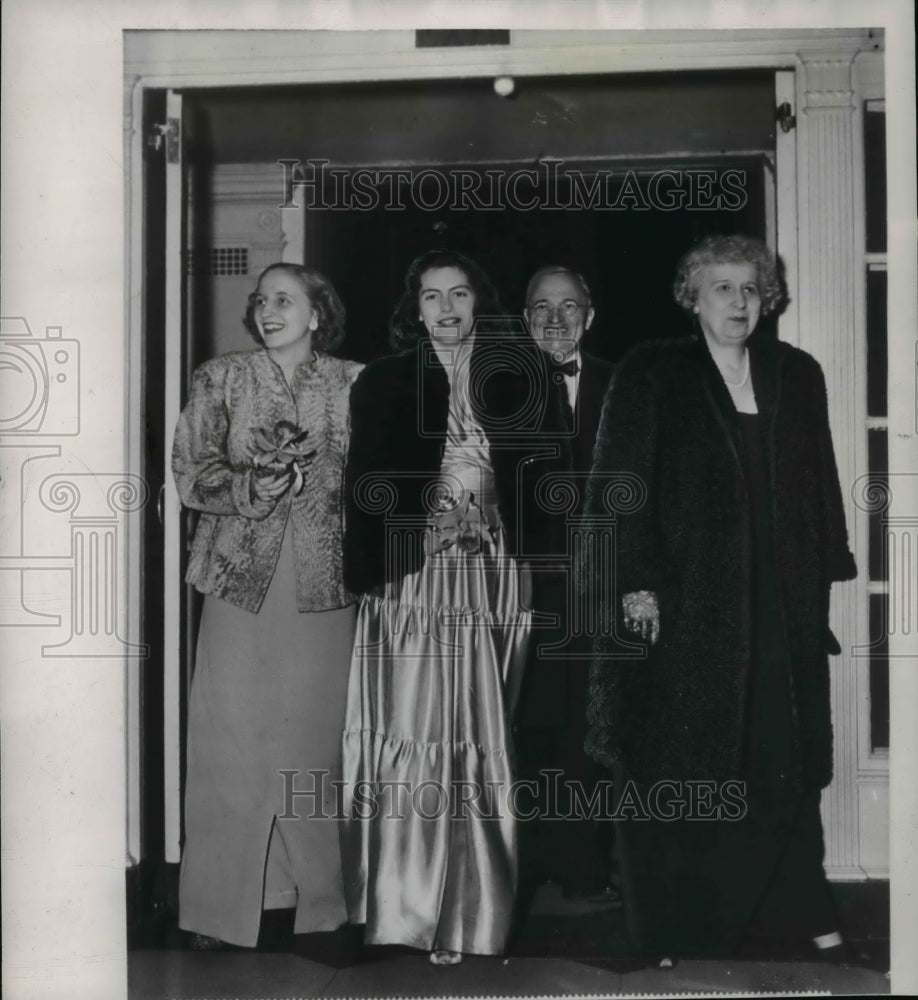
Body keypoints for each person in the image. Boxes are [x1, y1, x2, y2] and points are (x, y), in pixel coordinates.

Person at [582, 234, 857, 963]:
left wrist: (823, 569)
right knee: (676, 770)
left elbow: (818, 482)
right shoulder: (653, 371)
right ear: (693, 299)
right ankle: (668, 932)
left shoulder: (796, 374)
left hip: (777, 605)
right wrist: (633, 585)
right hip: (684, 606)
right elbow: (617, 488)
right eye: (723, 288)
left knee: (781, 762)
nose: (740, 302)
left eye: (751, 287)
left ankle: (808, 916)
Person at [341, 249, 569, 964]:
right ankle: (405, 908)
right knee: (413, 728)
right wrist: (415, 531)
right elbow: (365, 488)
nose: (445, 308)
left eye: (460, 294)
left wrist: (497, 524)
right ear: (413, 309)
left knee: (479, 729)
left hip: (493, 574)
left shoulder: (521, 374)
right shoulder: (382, 382)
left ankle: (473, 912)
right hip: (412, 578)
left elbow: (549, 479)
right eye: (432, 296)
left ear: (480, 302)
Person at [172, 263, 362, 948]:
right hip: (238, 579)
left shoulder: (354, 383)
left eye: (285, 299)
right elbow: (192, 473)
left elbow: (380, 480)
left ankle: (321, 908)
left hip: (325, 584)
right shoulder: (219, 377)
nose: (267, 309)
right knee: (230, 741)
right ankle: (219, 915)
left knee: (315, 743)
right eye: (260, 300)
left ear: (318, 314)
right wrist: (254, 486)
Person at [514, 266, 616, 904]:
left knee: (594, 720)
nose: (556, 320)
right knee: (524, 717)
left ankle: (587, 865)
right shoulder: (494, 386)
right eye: (542, 308)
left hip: (602, 580)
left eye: (570, 306)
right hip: (519, 583)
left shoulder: (623, 382)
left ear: (590, 316)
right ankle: (525, 866)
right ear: (525, 320)